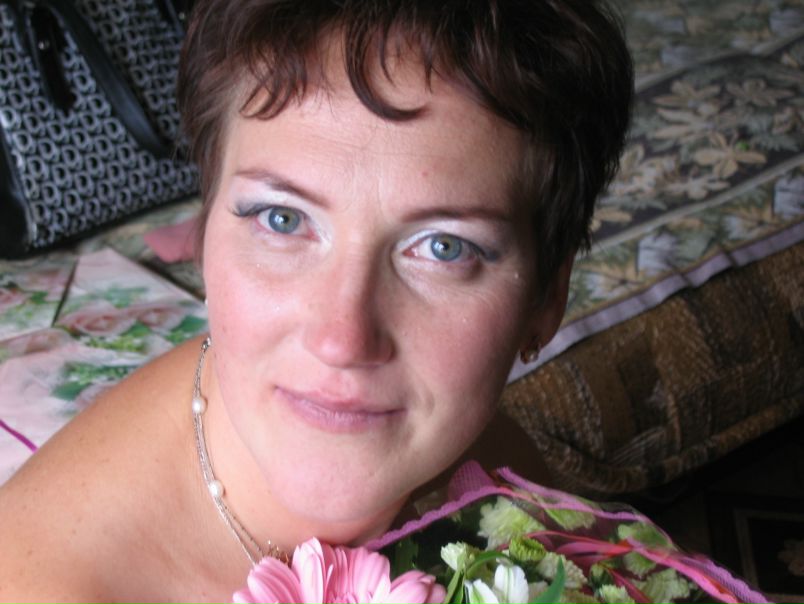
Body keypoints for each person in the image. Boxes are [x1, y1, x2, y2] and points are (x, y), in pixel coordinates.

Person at [0, 0, 632, 601]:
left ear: (547, 298)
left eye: (444, 248)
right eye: (281, 218)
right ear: (203, 233)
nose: (342, 340)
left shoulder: (495, 478)